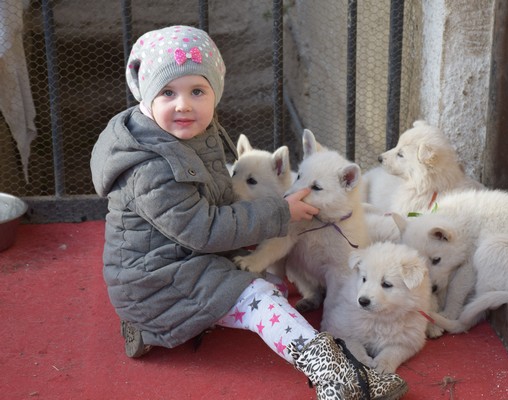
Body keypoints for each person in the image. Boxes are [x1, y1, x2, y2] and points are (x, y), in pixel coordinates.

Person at [90, 25, 408, 399]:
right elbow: (202, 229)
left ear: (216, 92)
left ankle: (151, 327)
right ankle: (336, 377)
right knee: (263, 299)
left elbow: (218, 200)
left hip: (182, 262)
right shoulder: (152, 168)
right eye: (167, 92)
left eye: (197, 91)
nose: (184, 104)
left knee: (268, 277)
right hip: (158, 281)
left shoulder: (190, 136)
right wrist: (279, 212)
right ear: (145, 96)